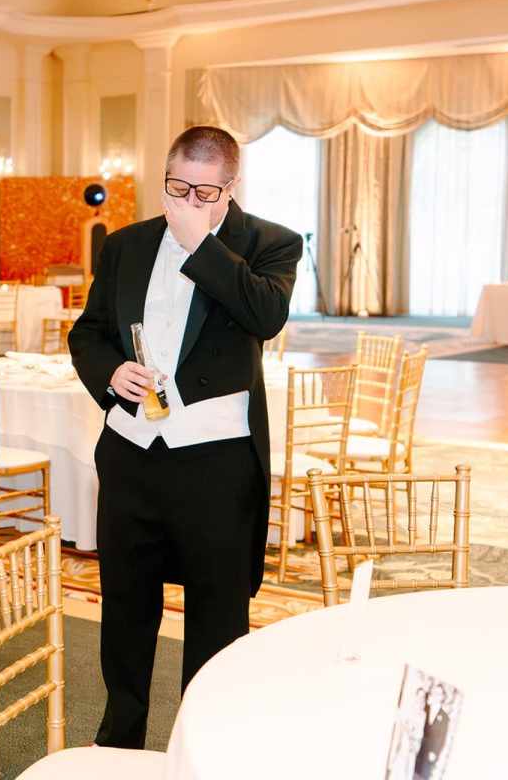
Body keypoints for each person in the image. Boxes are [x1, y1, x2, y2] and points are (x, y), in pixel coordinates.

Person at [68, 126, 300, 749]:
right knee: (124, 606)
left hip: (217, 465)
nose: (187, 202)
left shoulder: (270, 244)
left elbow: (265, 317)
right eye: (177, 188)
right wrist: (110, 371)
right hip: (133, 454)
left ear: (231, 186)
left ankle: (204, 743)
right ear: (163, 176)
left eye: (204, 191)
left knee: (217, 616)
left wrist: (202, 245)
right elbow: (86, 332)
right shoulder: (124, 245)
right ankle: (120, 738)